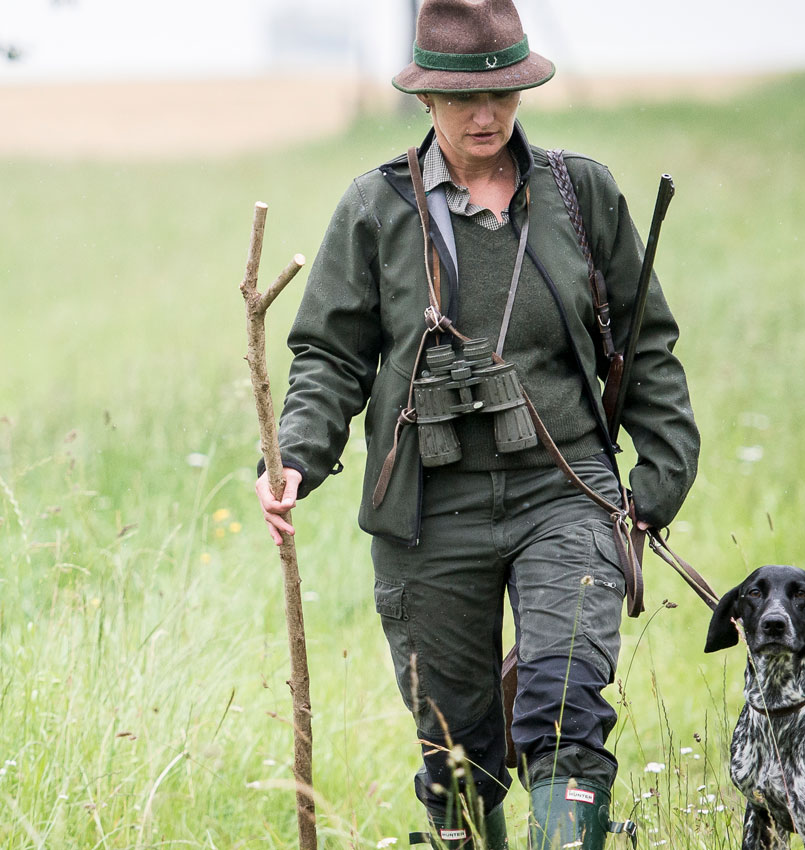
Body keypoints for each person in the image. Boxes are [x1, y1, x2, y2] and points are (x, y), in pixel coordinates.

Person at [253, 1, 699, 847]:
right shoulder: (375, 210)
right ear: (426, 101)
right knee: (457, 752)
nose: (486, 116)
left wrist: (658, 479)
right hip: (427, 509)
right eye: (464, 100)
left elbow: (646, 343)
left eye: (503, 94)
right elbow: (328, 356)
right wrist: (295, 459)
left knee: (564, 707)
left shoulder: (582, 193)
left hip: (564, 489)